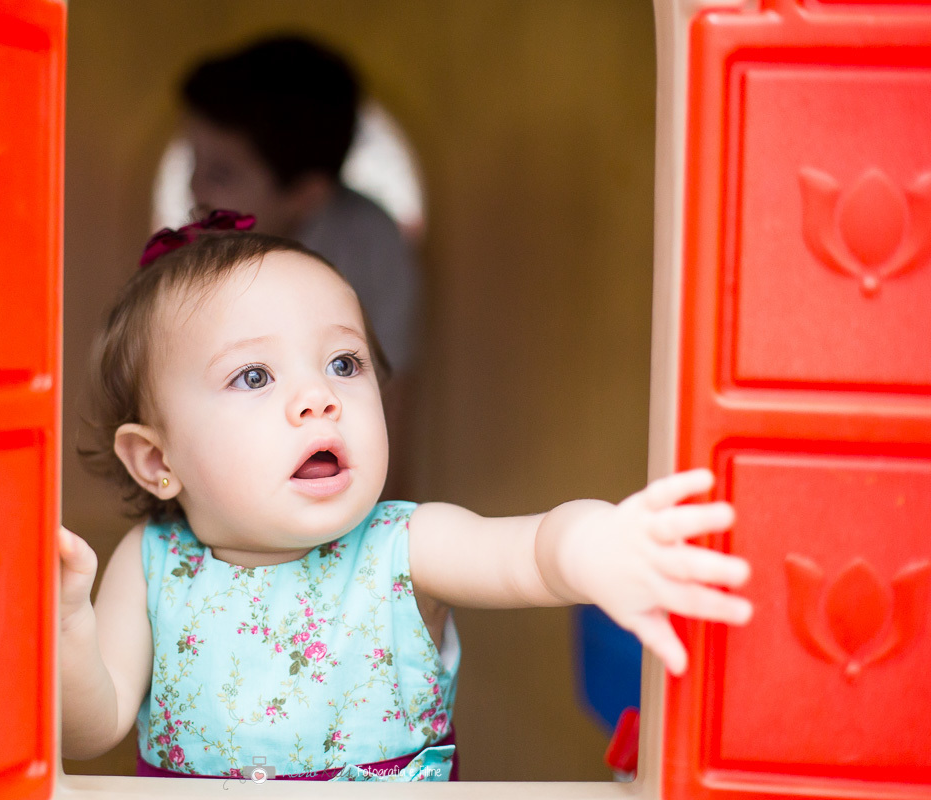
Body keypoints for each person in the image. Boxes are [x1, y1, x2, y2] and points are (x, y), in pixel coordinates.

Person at [61, 214, 752, 781]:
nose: (317, 399)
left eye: (344, 363)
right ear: (157, 460)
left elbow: (529, 554)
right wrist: (68, 633)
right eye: (252, 377)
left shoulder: (405, 547)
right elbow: (92, 727)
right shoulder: (152, 564)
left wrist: (592, 543)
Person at [180, 35, 420, 498]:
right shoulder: (207, 249)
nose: (195, 188)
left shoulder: (369, 246)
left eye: (222, 173)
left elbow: (392, 403)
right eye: (193, 162)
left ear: (306, 193)